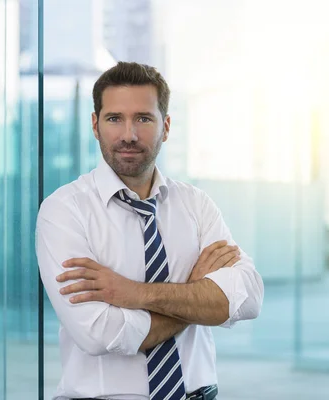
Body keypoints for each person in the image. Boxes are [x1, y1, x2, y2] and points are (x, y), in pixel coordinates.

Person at [36, 61, 264, 400]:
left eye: (143, 118)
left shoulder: (196, 205)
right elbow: (99, 334)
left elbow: (247, 298)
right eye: (115, 119)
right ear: (95, 125)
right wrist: (193, 294)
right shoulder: (64, 211)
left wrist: (135, 293)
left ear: (166, 126)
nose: (129, 134)